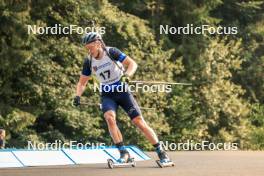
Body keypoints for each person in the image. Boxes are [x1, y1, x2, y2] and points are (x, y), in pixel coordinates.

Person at [73, 32, 171, 164]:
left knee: (138, 122)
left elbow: (132, 64)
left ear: (98, 44)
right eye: (86, 48)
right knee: (109, 118)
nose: (89, 51)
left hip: (122, 91)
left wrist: (127, 75)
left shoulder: (111, 52)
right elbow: (82, 82)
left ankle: (161, 152)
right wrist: (77, 96)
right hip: (107, 94)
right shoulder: (89, 61)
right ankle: (123, 153)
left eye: (90, 47)